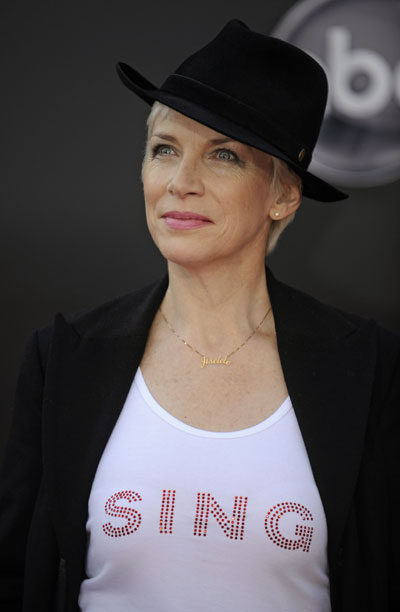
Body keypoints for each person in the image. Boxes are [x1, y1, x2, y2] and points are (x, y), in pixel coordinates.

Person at [0, 18, 399, 612]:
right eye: (165, 149)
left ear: (283, 195)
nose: (180, 183)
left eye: (223, 156)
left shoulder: (368, 369)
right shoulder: (62, 357)